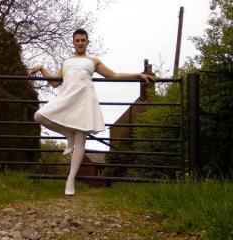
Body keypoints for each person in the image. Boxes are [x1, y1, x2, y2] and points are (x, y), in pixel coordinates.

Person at [30, 29, 155, 196]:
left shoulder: (93, 61)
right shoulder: (66, 62)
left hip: (84, 102)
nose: (80, 43)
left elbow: (114, 75)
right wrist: (42, 69)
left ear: (87, 42)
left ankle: (70, 181)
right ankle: (69, 135)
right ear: (73, 42)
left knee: (81, 140)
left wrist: (137, 75)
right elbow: (54, 83)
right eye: (77, 40)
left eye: (83, 40)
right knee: (39, 115)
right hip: (66, 98)